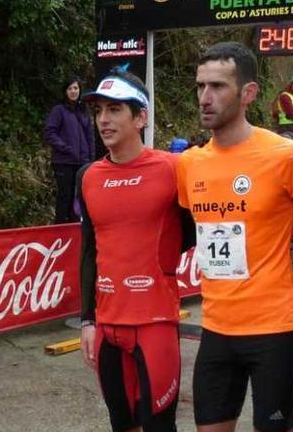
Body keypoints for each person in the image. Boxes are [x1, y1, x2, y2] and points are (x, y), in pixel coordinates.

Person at [177, 42, 293, 432]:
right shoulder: (190, 163)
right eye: (200, 86)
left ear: (248, 93)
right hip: (216, 330)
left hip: (273, 331)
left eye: (218, 87)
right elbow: (187, 235)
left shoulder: (287, 156)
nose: (205, 98)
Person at [77, 69, 194, 432]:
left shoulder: (174, 168)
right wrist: (87, 320)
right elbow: (89, 250)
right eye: (99, 111)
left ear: (140, 117)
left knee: (158, 426)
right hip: (108, 324)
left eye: (114, 110)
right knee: (121, 423)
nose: (103, 120)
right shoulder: (88, 176)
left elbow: (192, 233)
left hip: (155, 322)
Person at [44, 76, 94, 223]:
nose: (73, 91)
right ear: (65, 91)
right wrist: (64, 147)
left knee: (78, 196)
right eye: (70, 88)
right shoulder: (59, 110)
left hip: (82, 162)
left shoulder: (83, 110)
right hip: (64, 161)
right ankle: (60, 225)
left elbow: (90, 136)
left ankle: (74, 224)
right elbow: (49, 132)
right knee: (64, 195)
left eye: (76, 88)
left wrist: (91, 158)